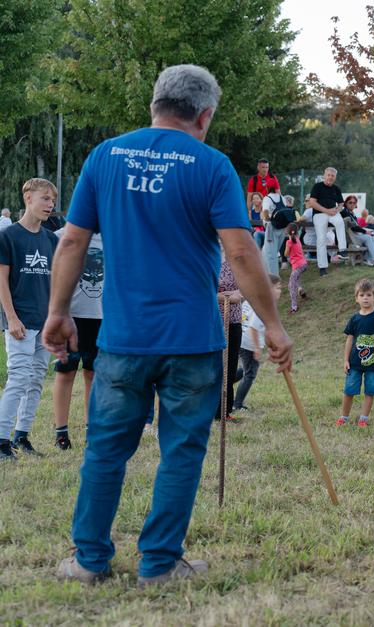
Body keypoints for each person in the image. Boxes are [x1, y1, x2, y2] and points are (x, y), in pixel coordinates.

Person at [44, 64, 292, 585]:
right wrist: (272, 323)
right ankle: (158, 563)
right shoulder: (212, 165)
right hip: (191, 340)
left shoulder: (104, 156)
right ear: (204, 115)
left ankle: (89, 561)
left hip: (122, 339)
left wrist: (58, 312)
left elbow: (71, 241)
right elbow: (242, 251)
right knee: (181, 451)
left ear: (154, 103)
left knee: (105, 450)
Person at [0, 178, 59, 460]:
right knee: (18, 378)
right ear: (28, 198)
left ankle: (21, 436)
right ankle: (1, 440)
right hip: (20, 322)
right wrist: (11, 317)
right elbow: (1, 281)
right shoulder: (8, 235)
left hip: (44, 322)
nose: (51, 204)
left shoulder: (51, 239)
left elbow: (56, 283)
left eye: (52, 200)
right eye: (45, 198)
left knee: (36, 381)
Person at [51, 227, 104, 451]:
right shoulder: (63, 235)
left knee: (93, 373)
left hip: (101, 316)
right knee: (66, 370)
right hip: (71, 315)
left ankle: (92, 429)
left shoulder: (113, 235)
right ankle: (61, 431)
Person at [340, 278, 374, 427]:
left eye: (369, 295)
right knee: (349, 390)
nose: (366, 298)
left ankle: (364, 418)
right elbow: (349, 340)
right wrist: (346, 360)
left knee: (370, 390)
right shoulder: (354, 319)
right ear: (356, 298)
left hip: (373, 362)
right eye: (362, 295)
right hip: (355, 362)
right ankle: (344, 417)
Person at [233, 274, 282, 413]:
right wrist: (256, 347)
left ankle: (226, 382)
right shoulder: (264, 305)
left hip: (240, 338)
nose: (280, 291)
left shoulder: (253, 300)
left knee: (245, 370)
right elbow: (253, 328)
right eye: (278, 288)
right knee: (250, 374)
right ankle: (237, 404)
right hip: (248, 343)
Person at [215, 256, 243, 423]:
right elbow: (204, 291)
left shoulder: (237, 263)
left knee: (230, 368)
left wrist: (234, 295)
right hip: (213, 321)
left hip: (234, 321)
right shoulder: (210, 260)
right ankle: (210, 409)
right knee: (215, 367)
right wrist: (226, 297)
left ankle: (225, 411)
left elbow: (244, 289)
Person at [308, 167, 348, 277]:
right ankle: (322, 267)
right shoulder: (317, 186)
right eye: (329, 175)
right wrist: (326, 211)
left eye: (333, 176)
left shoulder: (336, 189)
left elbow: (341, 204)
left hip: (333, 212)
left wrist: (337, 209)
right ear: (324, 175)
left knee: (340, 223)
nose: (330, 177)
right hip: (319, 214)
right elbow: (312, 202)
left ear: (335, 177)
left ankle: (342, 250)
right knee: (321, 239)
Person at [341, 196, 374, 267]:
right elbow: (353, 227)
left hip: (354, 234)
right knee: (369, 237)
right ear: (346, 203)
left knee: (372, 236)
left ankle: (367, 259)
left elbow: (355, 227)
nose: (352, 204)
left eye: (354, 203)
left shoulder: (352, 213)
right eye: (350, 202)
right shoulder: (344, 213)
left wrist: (366, 231)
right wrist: (365, 231)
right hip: (351, 237)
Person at [260, 180, 288, 275]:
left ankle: (274, 278)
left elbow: (265, 212)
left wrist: (267, 220)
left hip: (271, 227)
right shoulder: (282, 198)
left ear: (267, 187)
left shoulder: (267, 198)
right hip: (282, 227)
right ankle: (263, 273)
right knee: (266, 251)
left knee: (270, 254)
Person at [284, 223, 307, 313]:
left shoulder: (289, 242)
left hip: (297, 266)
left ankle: (294, 307)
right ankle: (301, 290)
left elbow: (286, 254)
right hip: (303, 264)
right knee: (296, 278)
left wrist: (287, 248)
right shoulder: (298, 239)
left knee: (291, 285)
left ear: (287, 233)